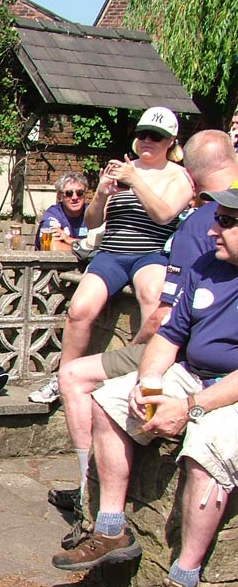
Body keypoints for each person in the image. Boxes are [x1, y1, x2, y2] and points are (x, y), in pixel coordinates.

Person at [51, 180, 238, 587]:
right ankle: (111, 528)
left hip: (227, 391)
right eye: (217, 217)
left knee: (208, 446)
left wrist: (190, 407)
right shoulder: (207, 267)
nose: (214, 228)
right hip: (191, 372)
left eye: (228, 222)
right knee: (110, 397)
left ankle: (183, 579)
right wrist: (150, 383)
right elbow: (170, 335)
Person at [47, 131, 238, 531]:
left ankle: (88, 498)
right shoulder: (211, 218)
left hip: (187, 359)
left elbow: (163, 319)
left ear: (187, 171)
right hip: (188, 349)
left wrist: (140, 363)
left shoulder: (197, 227)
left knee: (75, 377)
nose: (216, 229)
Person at [29, 107, 193, 406]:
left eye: (155, 137)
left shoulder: (178, 176)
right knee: (79, 309)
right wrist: (103, 193)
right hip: (111, 253)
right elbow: (92, 222)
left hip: (150, 252)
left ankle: (147, 378)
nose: (147, 141)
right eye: (142, 134)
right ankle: (63, 378)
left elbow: (164, 214)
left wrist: (136, 181)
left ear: (170, 141)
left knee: (153, 298)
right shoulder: (120, 169)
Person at [33, 172, 90, 251]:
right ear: (60, 196)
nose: (75, 197)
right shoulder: (53, 215)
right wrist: (87, 248)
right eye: (69, 193)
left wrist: (68, 239)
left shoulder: (92, 214)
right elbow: (55, 248)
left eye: (79, 192)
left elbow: (104, 246)